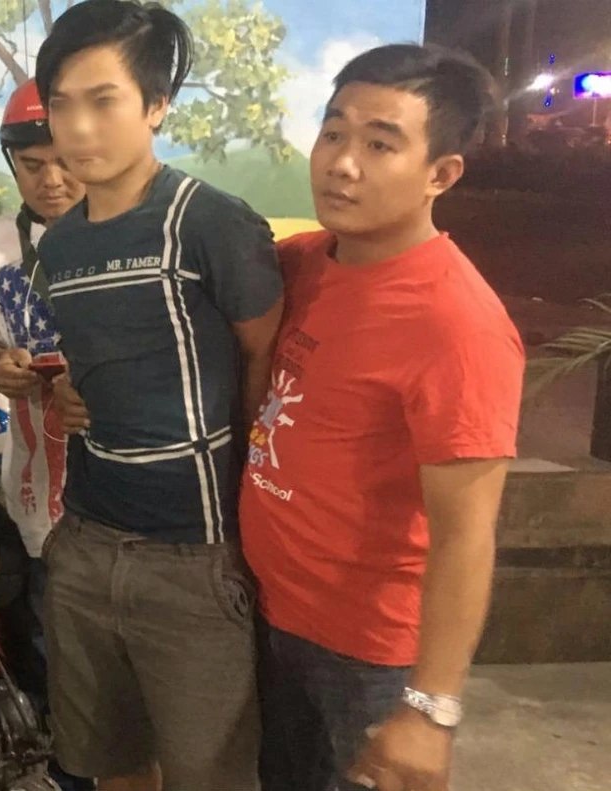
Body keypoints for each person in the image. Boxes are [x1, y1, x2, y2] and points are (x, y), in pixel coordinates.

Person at [239, 44, 526, 791]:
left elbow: (467, 534)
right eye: (334, 132)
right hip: (270, 616)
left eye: (379, 144)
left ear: (441, 174)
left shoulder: (457, 324)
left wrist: (431, 709)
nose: (342, 163)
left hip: (368, 658)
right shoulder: (302, 262)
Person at [35, 2, 284, 789]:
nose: (78, 128)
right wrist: (66, 388)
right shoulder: (61, 244)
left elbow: (265, 363)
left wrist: (246, 532)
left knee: (209, 775)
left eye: (103, 100)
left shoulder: (210, 223)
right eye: (61, 104)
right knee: (109, 766)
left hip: (195, 557)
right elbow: (95, 359)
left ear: (156, 107)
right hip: (86, 543)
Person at [0, 78, 89, 791]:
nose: (51, 179)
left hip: (115, 483)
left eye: (64, 160)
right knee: (40, 621)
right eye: (33, 165)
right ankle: (57, 757)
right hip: (35, 477)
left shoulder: (124, 234)